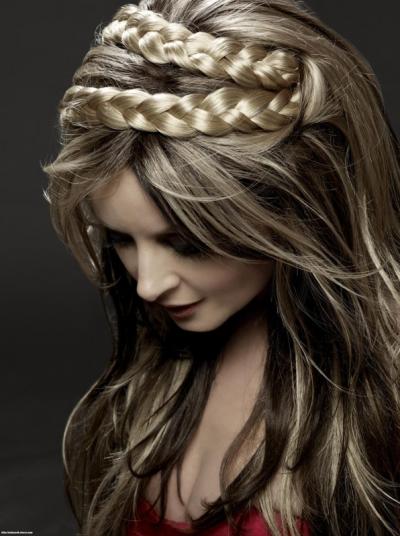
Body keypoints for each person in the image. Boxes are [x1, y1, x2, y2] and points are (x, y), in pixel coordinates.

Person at [41, 0, 400, 535]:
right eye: (121, 240)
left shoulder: (380, 416)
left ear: (298, 212)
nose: (148, 285)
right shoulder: (148, 393)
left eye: (187, 245)